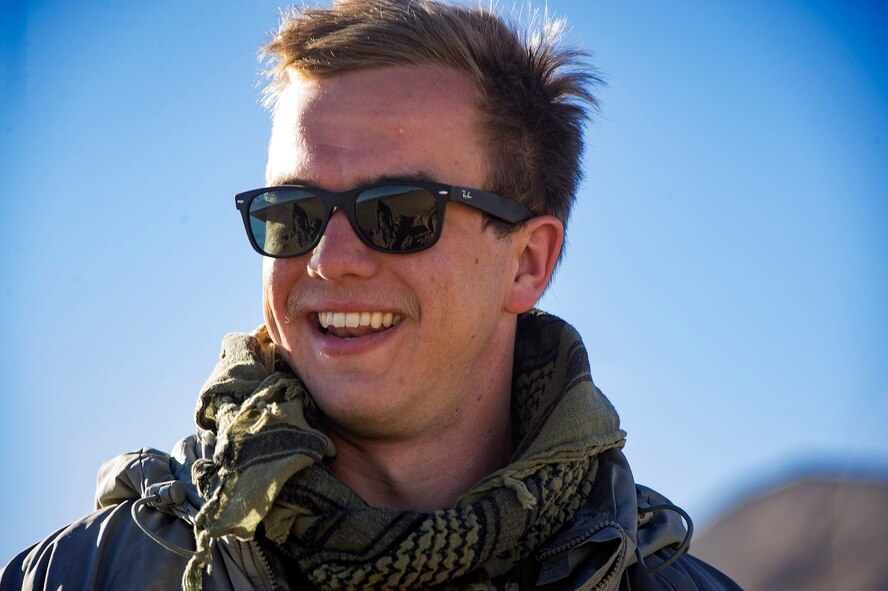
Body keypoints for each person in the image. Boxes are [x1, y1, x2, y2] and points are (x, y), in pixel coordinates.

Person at [1, 1, 742, 590]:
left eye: (399, 211)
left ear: (527, 261)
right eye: (292, 213)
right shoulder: (82, 575)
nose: (330, 260)